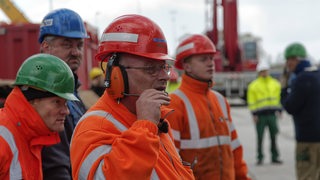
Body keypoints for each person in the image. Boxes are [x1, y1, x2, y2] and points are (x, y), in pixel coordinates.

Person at [70, 14, 194, 179]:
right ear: (116, 75)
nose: (165, 76)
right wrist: (144, 127)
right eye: (150, 68)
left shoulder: (155, 118)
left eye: (164, 66)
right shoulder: (93, 127)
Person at [166, 34, 250, 180]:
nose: (211, 63)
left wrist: (242, 177)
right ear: (187, 66)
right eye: (203, 59)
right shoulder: (175, 103)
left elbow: (234, 148)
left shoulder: (220, 100)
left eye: (211, 58)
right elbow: (171, 160)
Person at [0, 53, 78, 179]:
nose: (66, 111)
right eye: (57, 102)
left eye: (65, 103)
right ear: (32, 100)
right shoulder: (4, 138)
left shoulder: (31, 137)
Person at [38, 8, 88, 179]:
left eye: (79, 45)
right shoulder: (42, 94)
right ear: (46, 47)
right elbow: (55, 168)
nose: (76, 52)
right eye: (67, 44)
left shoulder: (72, 93)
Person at [281, 42, 320, 180]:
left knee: (306, 175)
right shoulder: (317, 75)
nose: (287, 65)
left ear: (295, 59)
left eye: (288, 60)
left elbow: (290, 106)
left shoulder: (301, 79)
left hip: (307, 139)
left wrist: (284, 88)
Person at [247, 60, 283, 165]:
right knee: (260, 137)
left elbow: (279, 98)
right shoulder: (253, 85)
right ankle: (260, 157)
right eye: (262, 71)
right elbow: (251, 100)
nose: (264, 73)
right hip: (260, 116)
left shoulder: (275, 84)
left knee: (273, 136)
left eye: (265, 71)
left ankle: (275, 157)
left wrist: (280, 110)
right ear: (259, 72)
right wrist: (254, 114)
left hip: (272, 115)